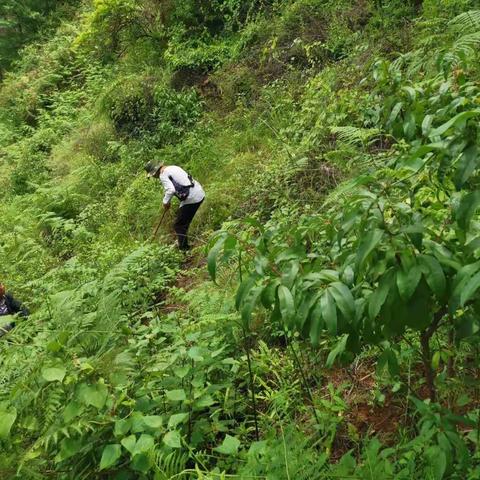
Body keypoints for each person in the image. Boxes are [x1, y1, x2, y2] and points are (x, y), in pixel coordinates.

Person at [145, 162, 205, 251]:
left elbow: (170, 190)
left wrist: (165, 202)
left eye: (152, 175)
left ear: (154, 172)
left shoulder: (163, 174)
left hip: (192, 198)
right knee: (181, 218)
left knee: (179, 225)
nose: (154, 177)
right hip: (198, 191)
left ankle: (184, 249)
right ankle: (183, 243)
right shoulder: (172, 167)